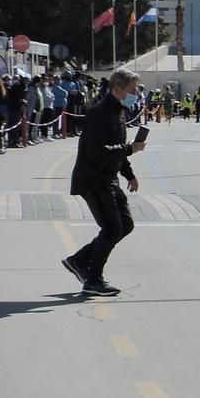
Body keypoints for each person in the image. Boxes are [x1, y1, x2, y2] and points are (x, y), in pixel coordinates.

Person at [64, 68, 147, 298]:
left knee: (125, 225)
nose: (135, 94)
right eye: (132, 90)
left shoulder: (118, 111)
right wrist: (130, 149)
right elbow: (97, 151)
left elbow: (116, 147)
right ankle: (93, 279)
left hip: (109, 177)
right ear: (116, 89)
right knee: (111, 228)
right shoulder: (98, 113)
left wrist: (129, 174)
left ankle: (79, 260)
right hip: (93, 179)